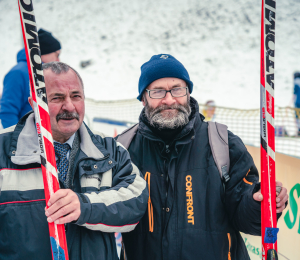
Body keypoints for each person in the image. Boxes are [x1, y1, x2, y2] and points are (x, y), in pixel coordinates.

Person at [118, 54, 288, 260]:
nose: (169, 99)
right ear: (143, 98)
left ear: (188, 93)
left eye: (177, 89)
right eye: (158, 92)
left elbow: (248, 219)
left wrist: (258, 204)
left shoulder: (222, 143)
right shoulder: (123, 149)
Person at [0, 62, 148, 260]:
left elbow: (136, 202)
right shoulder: (4, 151)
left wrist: (85, 206)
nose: (69, 106)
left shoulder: (109, 150)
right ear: (34, 103)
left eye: (76, 96)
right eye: (57, 98)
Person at [0, 28, 61, 128]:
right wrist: (16, 140)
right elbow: (8, 112)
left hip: (43, 138)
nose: (58, 60)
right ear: (44, 52)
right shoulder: (18, 73)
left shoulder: (45, 73)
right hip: (26, 138)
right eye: (57, 54)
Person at [293, 72, 300, 136]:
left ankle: (299, 130)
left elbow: (294, 92)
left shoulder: (296, 82)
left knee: (297, 116)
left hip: (297, 102)